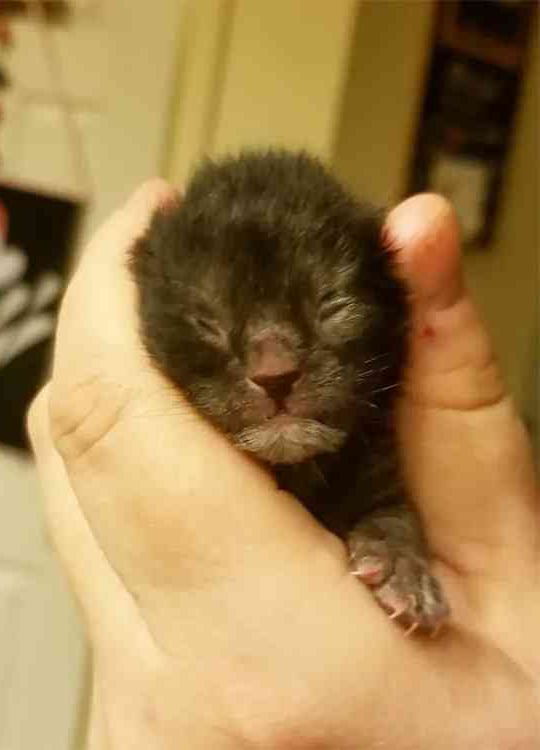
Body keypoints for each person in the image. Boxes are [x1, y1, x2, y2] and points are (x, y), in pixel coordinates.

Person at [27, 180, 540, 749]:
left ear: (394, 308)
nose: (273, 366)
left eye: (332, 308)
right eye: (207, 326)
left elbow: (394, 501)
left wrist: (392, 539)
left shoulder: (398, 445)